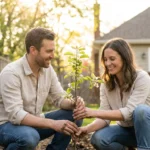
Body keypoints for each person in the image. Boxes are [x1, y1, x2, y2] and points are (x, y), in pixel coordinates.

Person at [0, 27, 84, 150]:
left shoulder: (47, 70)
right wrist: (53, 124)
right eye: (49, 51)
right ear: (33, 50)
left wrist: (73, 103)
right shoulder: (12, 73)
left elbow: (59, 98)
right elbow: (16, 115)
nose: (53, 56)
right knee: (29, 137)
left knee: (75, 115)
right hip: (6, 126)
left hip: (34, 123)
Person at [73, 38, 150, 150]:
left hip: (147, 131)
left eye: (112, 59)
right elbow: (104, 117)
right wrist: (86, 129)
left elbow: (129, 112)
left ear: (124, 58)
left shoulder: (141, 78)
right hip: (127, 131)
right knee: (98, 138)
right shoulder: (106, 84)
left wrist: (92, 112)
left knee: (141, 111)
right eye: (105, 59)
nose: (108, 63)